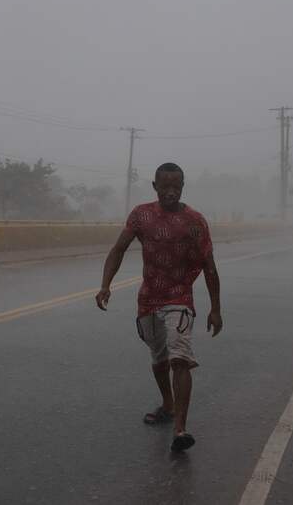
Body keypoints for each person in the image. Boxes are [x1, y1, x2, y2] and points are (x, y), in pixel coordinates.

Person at [95, 162, 222, 452]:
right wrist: (105, 284)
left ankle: (181, 428)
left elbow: (210, 267)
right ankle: (168, 404)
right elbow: (119, 249)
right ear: (154, 186)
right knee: (159, 357)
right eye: (164, 185)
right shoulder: (142, 215)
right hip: (149, 299)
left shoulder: (195, 221)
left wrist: (216, 308)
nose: (170, 191)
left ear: (183, 187)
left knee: (180, 358)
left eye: (176, 186)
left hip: (179, 298)